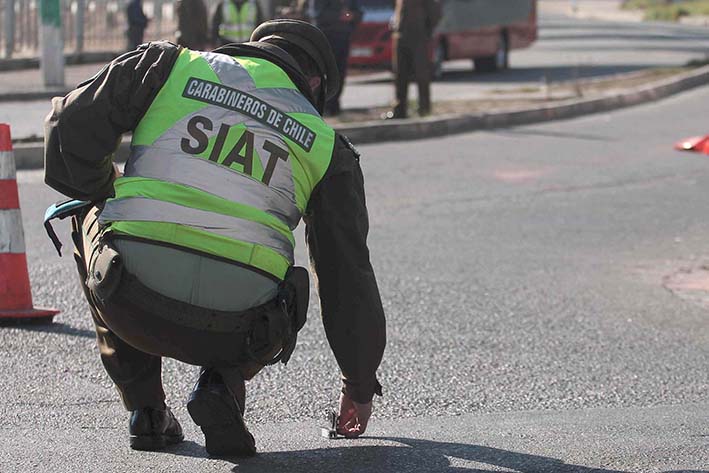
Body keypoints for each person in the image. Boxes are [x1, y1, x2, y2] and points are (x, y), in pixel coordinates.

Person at [43, 19, 386, 456]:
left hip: (127, 299)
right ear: (315, 83)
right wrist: (358, 385)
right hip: (240, 330)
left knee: (87, 208)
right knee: (286, 278)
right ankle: (220, 384)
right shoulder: (326, 145)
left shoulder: (170, 65)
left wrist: (103, 188)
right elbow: (347, 277)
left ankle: (146, 411)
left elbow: (67, 126)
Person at [292, 0, 362, 116]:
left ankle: (334, 105)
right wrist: (339, 16)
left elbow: (358, 12)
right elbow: (316, 14)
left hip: (343, 37)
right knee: (323, 74)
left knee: (340, 73)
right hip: (326, 38)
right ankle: (323, 106)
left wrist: (352, 16)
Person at [385, 0, 440, 119]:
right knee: (400, 75)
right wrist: (395, 23)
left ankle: (424, 108)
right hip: (400, 35)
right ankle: (400, 110)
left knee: (421, 74)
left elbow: (435, 12)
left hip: (418, 36)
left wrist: (426, 30)